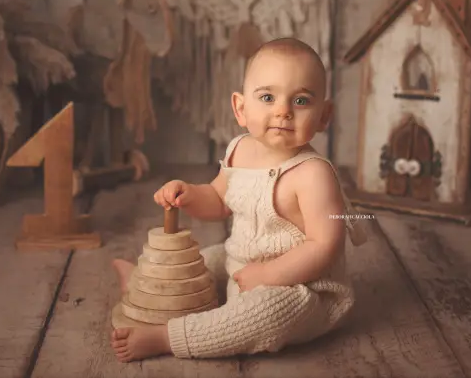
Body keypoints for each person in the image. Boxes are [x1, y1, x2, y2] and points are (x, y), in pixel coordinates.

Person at [110, 37, 362, 362]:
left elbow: (324, 245)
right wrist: (189, 194)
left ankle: (167, 337)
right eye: (268, 97)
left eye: (300, 101)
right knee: (203, 262)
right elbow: (218, 199)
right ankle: (148, 285)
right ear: (241, 108)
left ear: (324, 115)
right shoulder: (239, 150)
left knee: (267, 313)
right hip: (242, 268)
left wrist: (268, 276)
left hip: (301, 290)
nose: (283, 111)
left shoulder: (313, 174)